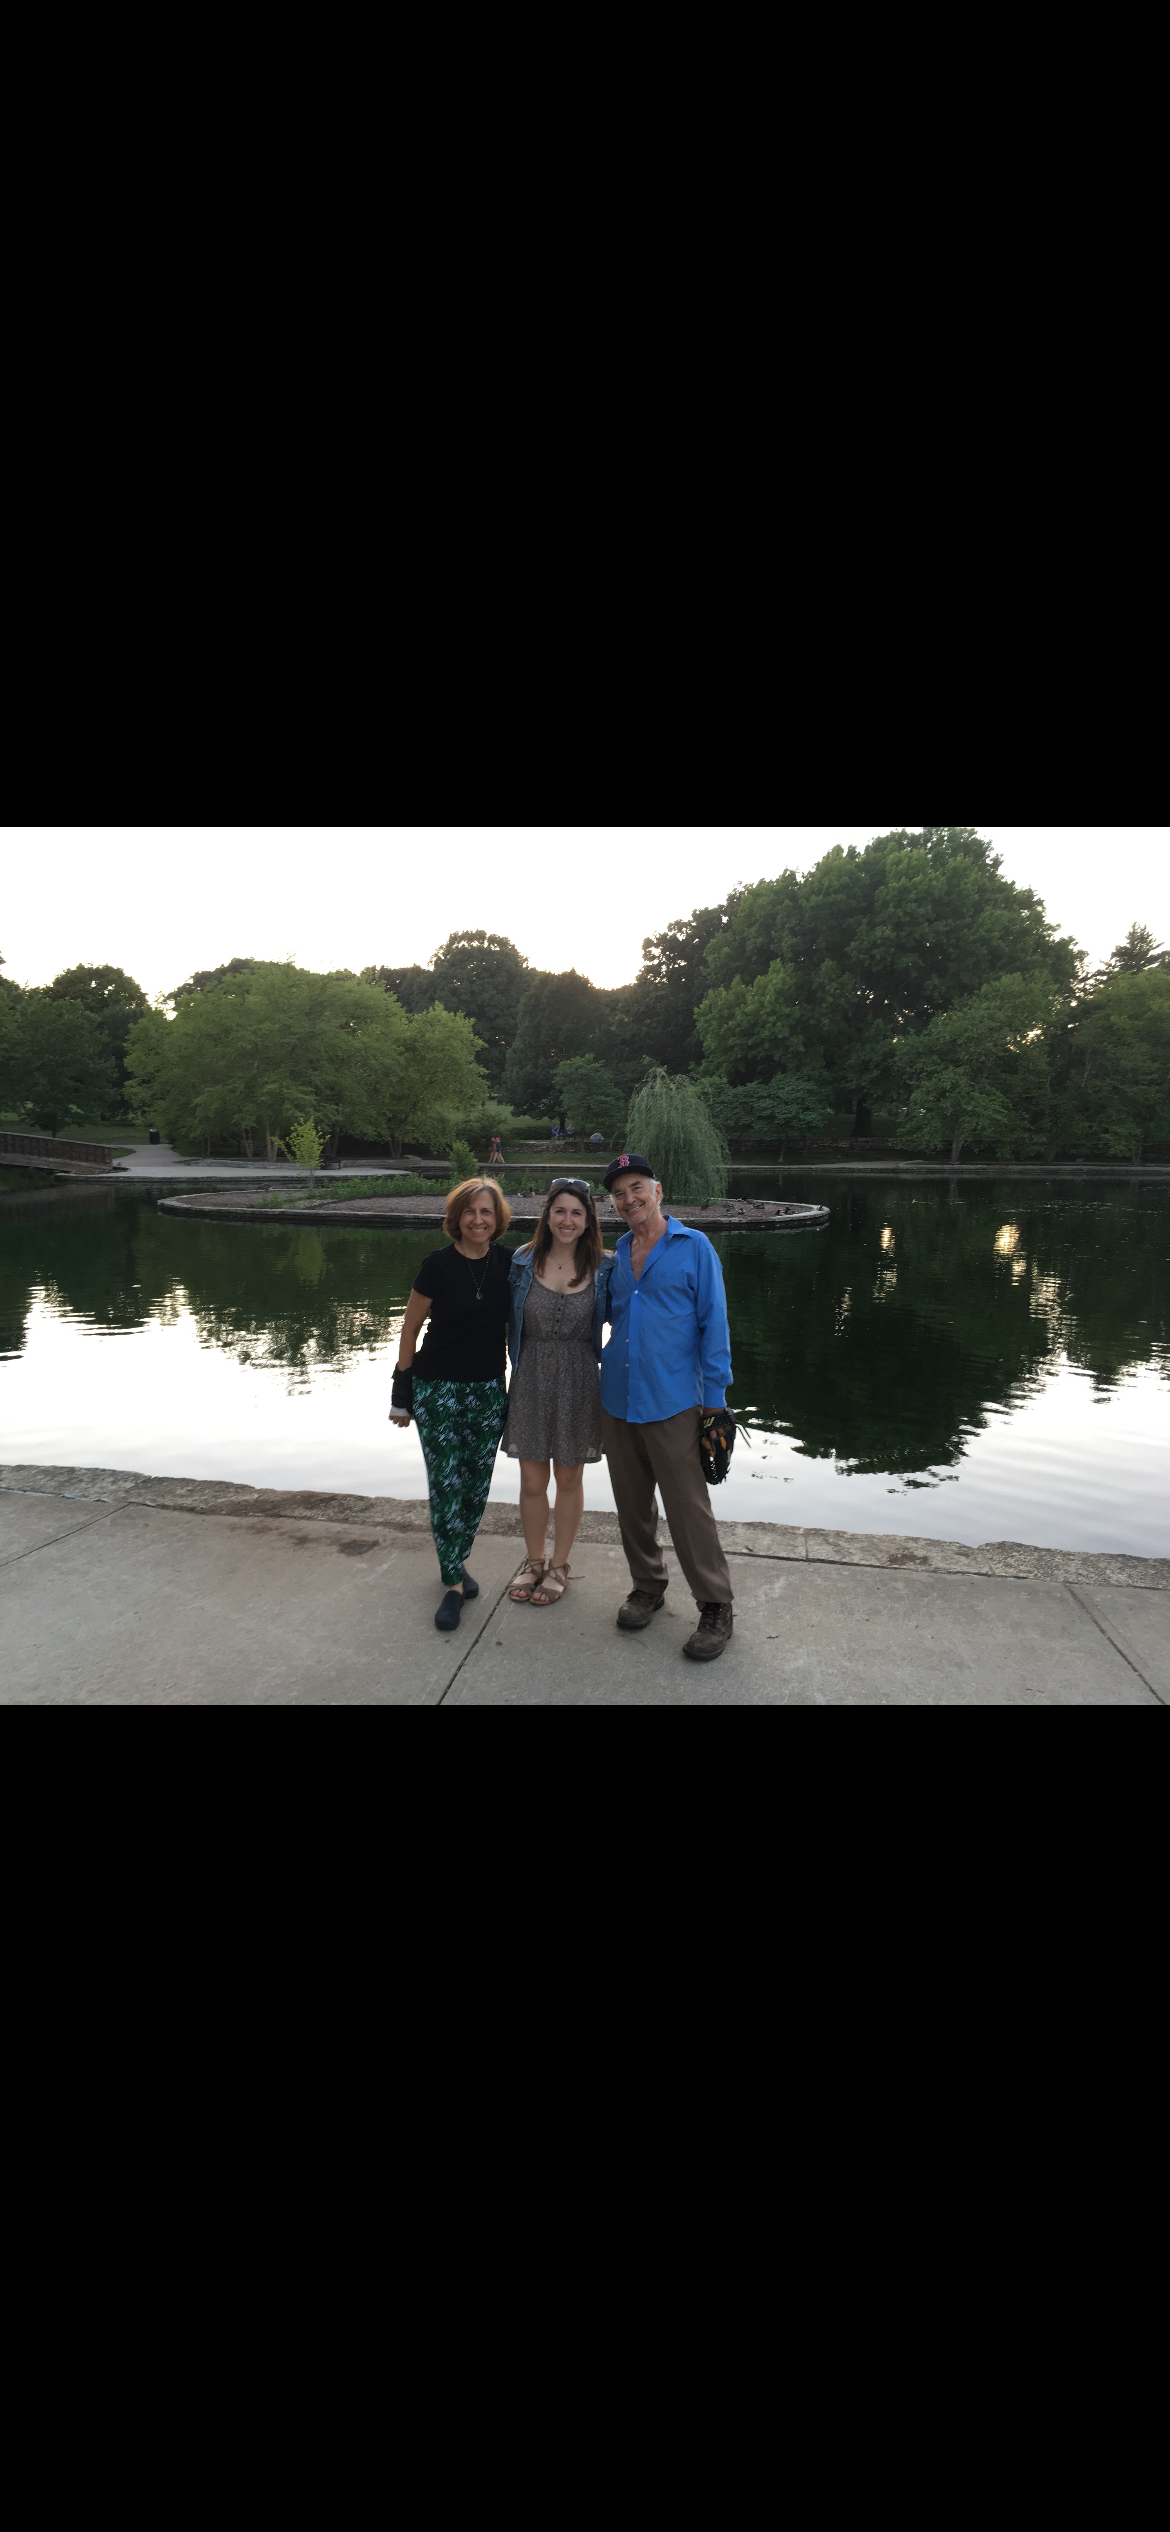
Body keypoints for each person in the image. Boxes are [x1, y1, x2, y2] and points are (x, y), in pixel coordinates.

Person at [600, 1152, 735, 1662]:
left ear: (658, 1191)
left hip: (675, 1400)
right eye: (619, 1193)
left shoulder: (694, 1247)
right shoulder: (617, 1252)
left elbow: (714, 1325)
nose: (629, 1198)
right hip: (618, 1397)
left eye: (637, 1187)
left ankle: (716, 1604)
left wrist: (714, 1404)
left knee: (688, 1508)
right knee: (632, 1504)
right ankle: (647, 1586)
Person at [389, 1177, 512, 1632]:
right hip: (437, 1388)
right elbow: (409, 1330)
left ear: (497, 1218)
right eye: (469, 1212)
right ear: (456, 1218)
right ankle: (453, 1584)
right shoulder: (437, 1265)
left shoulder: (510, 1262)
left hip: (488, 1391)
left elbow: (564, 1258)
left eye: (486, 1212)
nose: (478, 1220)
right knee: (446, 1485)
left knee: (476, 1487)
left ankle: (457, 1559)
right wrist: (401, 1396)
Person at [504, 1180, 614, 1604]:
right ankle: (534, 1561)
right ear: (547, 1216)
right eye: (560, 1211)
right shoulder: (522, 1260)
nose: (568, 1220)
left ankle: (559, 1565)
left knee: (569, 1479)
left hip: (579, 1378)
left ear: (588, 1222)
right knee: (533, 1481)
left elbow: (632, 1317)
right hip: (530, 1376)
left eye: (577, 1213)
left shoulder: (606, 1266)